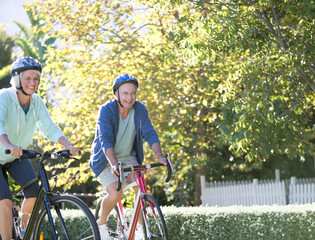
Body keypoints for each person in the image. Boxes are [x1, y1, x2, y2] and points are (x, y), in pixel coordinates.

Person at [0, 56, 79, 240]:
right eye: (28, 78)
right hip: (7, 150)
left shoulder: (36, 102)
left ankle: (22, 229)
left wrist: (67, 145)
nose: (32, 82)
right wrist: (9, 145)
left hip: (16, 156)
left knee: (35, 193)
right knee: (4, 200)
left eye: (36, 78)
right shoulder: (5, 97)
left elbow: (49, 127)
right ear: (17, 79)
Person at [89, 74, 167, 240]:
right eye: (125, 93)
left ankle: (139, 229)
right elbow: (106, 140)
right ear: (116, 94)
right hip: (106, 160)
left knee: (140, 184)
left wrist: (159, 156)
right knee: (116, 193)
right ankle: (101, 224)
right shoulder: (106, 110)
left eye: (133, 93)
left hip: (128, 157)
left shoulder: (139, 110)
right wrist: (114, 164)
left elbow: (150, 133)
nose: (129, 97)